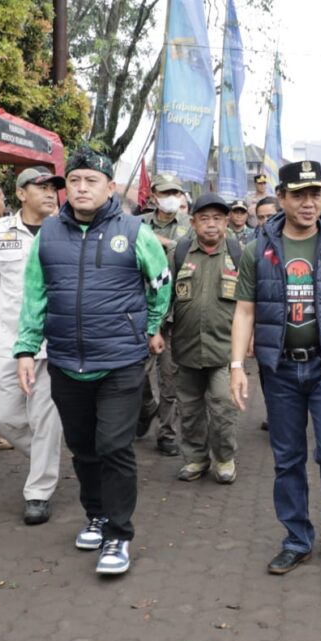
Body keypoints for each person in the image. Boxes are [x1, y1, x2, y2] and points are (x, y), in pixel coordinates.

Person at [14, 147, 171, 576]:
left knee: (114, 446)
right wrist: (26, 349)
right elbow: (34, 297)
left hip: (120, 361)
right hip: (66, 360)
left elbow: (161, 282)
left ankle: (119, 535)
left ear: (110, 188)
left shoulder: (135, 232)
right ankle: (96, 516)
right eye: (75, 180)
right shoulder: (48, 234)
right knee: (82, 448)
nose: (82, 188)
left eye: (92, 181)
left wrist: (151, 325)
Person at [229, 160, 321, 575]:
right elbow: (244, 310)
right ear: (283, 197)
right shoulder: (260, 250)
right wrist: (237, 364)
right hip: (281, 371)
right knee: (288, 459)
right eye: (299, 195)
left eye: (317, 195)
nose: (309, 203)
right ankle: (297, 538)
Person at [0, 167, 65, 525]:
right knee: (2, 414)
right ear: (21, 193)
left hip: (53, 343)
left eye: (54, 188)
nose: (51, 193)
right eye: (41, 187)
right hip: (7, 341)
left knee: (46, 416)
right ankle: (46, 455)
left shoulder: (67, 231)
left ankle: (38, 491)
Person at [171, 193, 242, 484]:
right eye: (204, 219)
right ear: (194, 222)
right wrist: (157, 330)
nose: (211, 225)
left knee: (223, 405)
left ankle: (224, 458)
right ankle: (196, 458)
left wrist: (250, 340)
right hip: (185, 346)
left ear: (226, 221)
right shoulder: (179, 253)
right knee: (189, 410)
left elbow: (251, 301)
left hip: (224, 347)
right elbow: (164, 296)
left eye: (217, 218)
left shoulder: (239, 253)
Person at [139, 173, 191, 456]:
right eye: (166, 192)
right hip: (141, 310)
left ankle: (167, 434)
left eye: (176, 192)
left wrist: (169, 244)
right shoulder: (137, 224)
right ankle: (147, 408)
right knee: (136, 374)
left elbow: (195, 253)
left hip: (175, 313)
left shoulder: (188, 226)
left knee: (169, 379)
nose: (172, 197)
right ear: (154, 195)